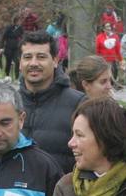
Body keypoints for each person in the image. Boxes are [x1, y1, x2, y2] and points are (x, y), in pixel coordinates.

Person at [19, 31, 85, 173]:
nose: (33, 63)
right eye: (27, 57)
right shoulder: (9, 102)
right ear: (20, 62)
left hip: (59, 191)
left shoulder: (78, 104)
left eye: (41, 57)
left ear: (55, 61)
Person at [2, 12, 25, 77]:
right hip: (8, 47)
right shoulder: (9, 27)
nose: (20, 22)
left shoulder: (20, 28)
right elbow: (4, 36)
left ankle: (17, 76)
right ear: (16, 21)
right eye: (19, 21)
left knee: (17, 61)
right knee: (8, 62)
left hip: (16, 47)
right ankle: (7, 76)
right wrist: (1, 47)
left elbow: (23, 36)